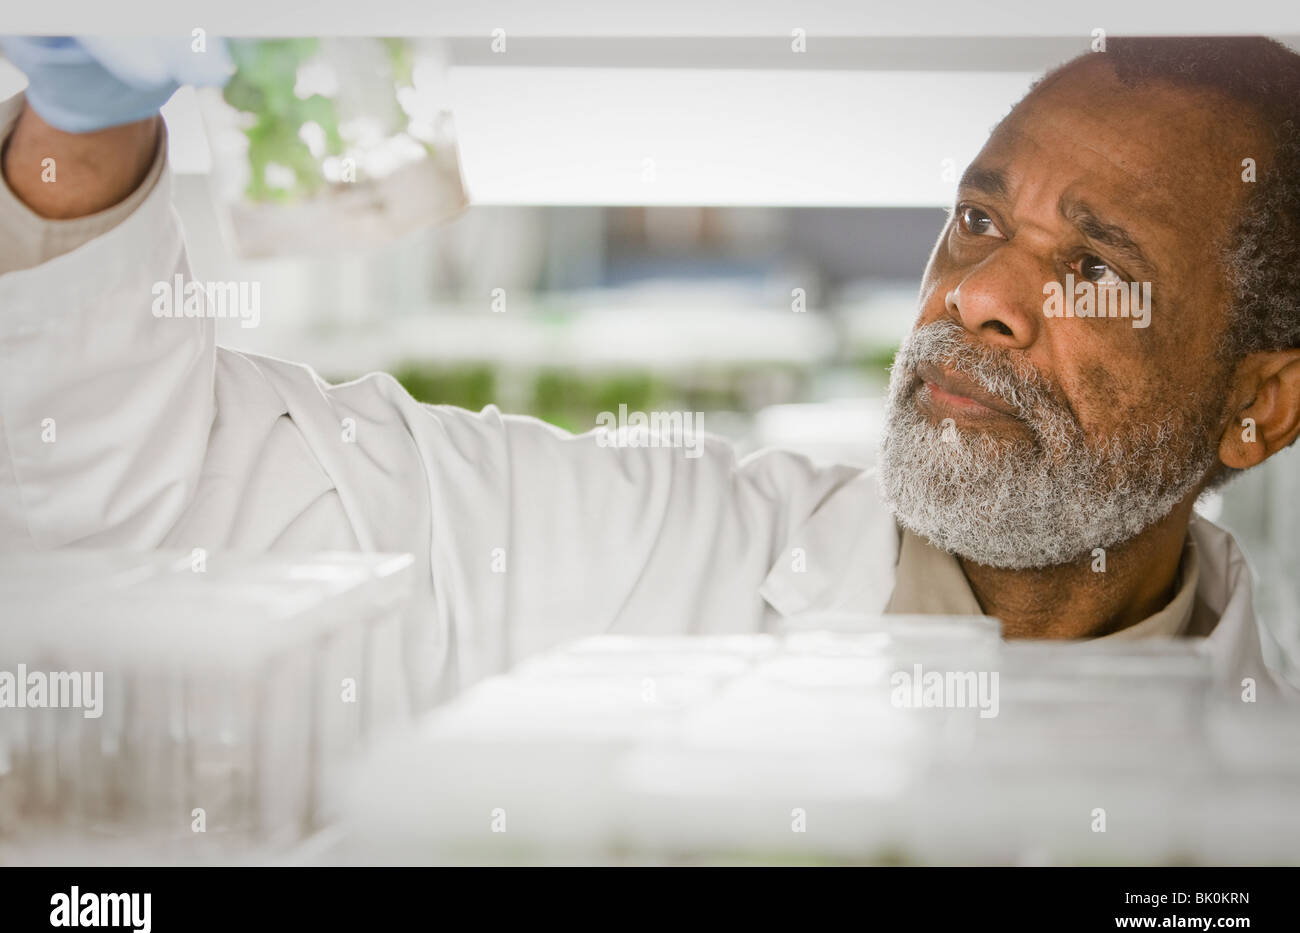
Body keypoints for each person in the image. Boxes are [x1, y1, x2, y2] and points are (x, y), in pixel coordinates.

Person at [2, 36, 1297, 705]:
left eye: (1093, 267)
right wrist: (81, 131)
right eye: (977, 219)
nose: (976, 297)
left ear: (1262, 403)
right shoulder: (630, 551)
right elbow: (142, 507)